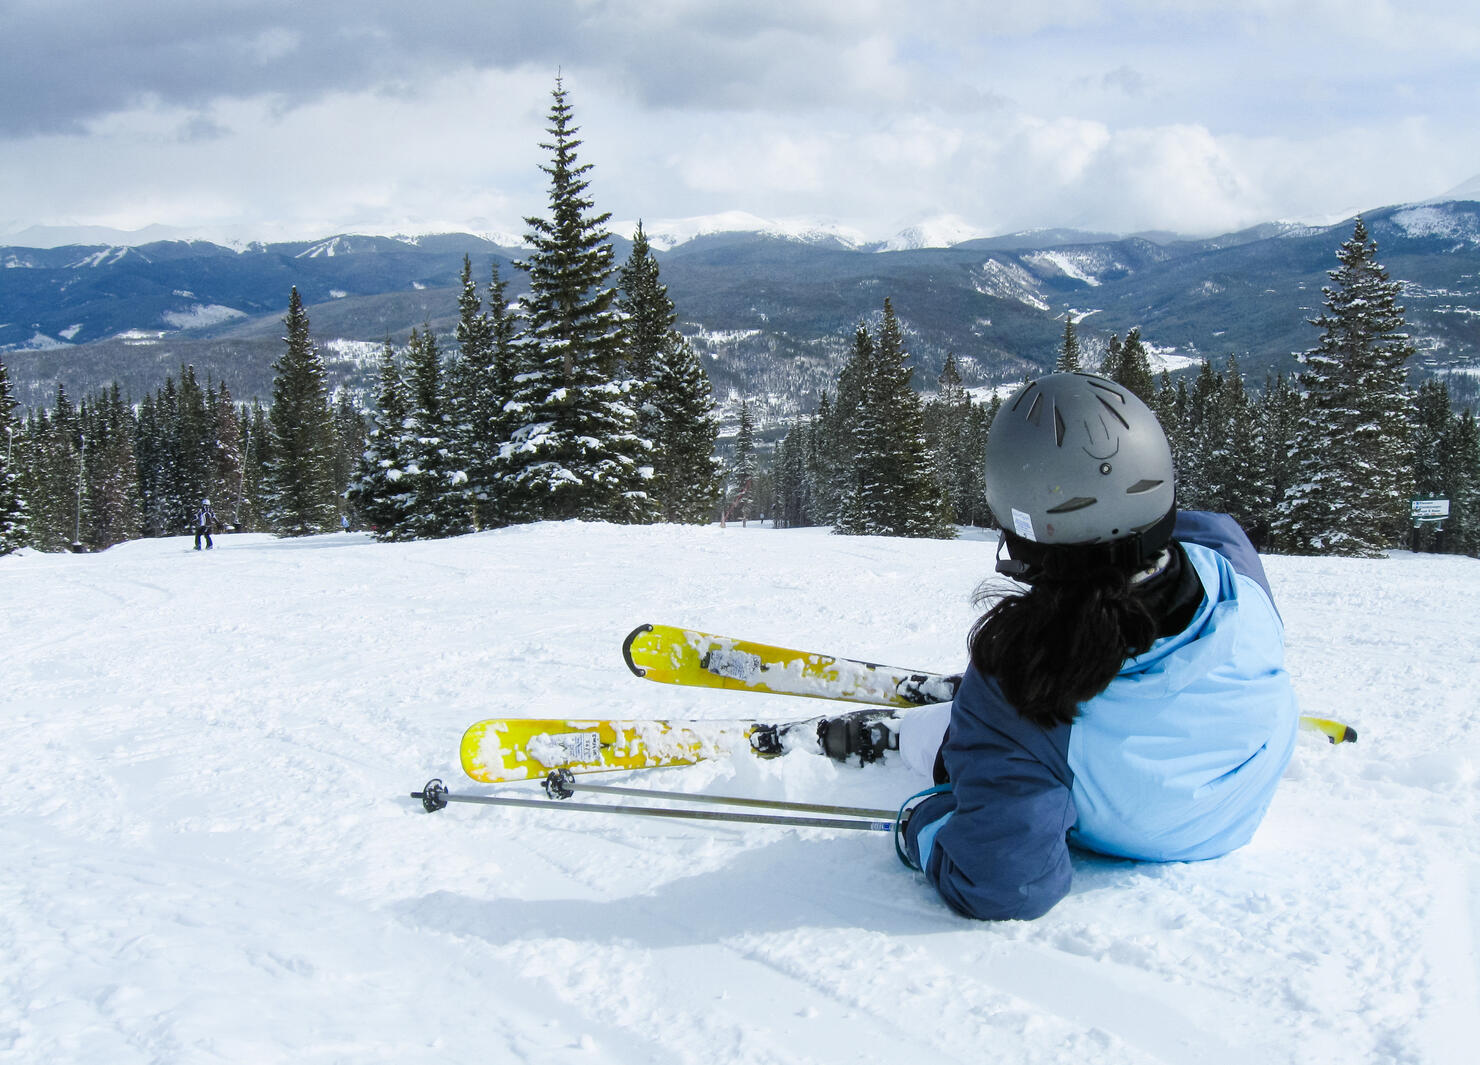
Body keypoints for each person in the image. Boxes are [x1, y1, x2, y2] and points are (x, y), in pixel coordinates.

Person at [826, 372, 1299, 920]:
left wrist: (922, 825)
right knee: (1007, 738)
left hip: (1146, 830)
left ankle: (920, 737)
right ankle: (965, 733)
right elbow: (1175, 529)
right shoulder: (1230, 557)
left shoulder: (1020, 684)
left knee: (973, 751)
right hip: (1241, 800)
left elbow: (1005, 883)